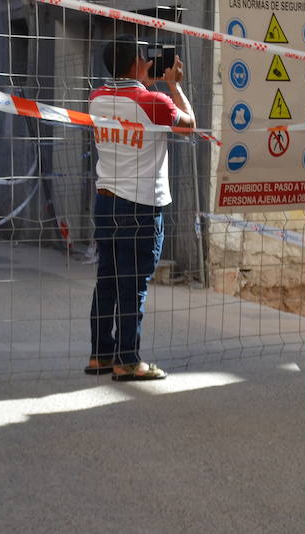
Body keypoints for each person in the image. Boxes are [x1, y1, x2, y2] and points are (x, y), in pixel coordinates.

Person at [86, 36, 195, 382]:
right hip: (141, 206)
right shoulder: (156, 102)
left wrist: (148, 83)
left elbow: (130, 96)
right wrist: (173, 86)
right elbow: (189, 125)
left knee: (107, 280)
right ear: (137, 63)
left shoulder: (96, 98)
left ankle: (101, 355)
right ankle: (128, 360)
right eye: (145, 57)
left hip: (105, 202)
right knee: (133, 285)